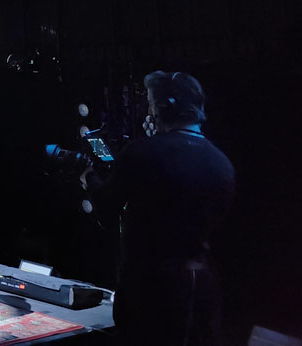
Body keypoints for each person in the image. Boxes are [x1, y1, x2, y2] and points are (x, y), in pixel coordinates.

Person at [91, 71, 235, 345]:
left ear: (164, 106)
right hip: (202, 286)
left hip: (149, 290)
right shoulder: (222, 162)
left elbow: (106, 212)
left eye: (150, 103)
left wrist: (89, 179)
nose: (149, 112)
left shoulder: (141, 153)